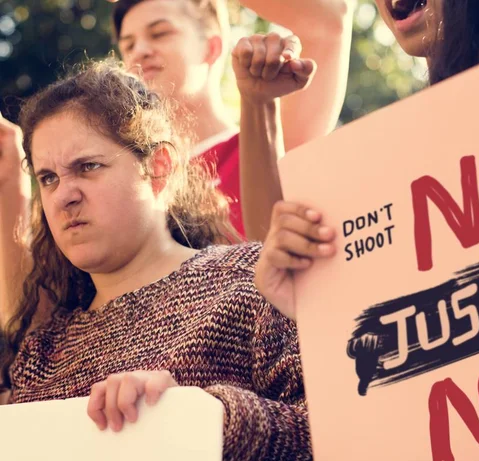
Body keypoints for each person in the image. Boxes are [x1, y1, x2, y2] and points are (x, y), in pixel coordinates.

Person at [0, 58, 313, 460]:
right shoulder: (42, 351)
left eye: (88, 167)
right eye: (48, 178)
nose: (64, 196)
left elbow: (342, 426)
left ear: (158, 167)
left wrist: (204, 417)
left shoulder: (252, 280)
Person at [112, 0, 354, 239]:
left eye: (159, 33)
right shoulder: (136, 185)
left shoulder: (271, 142)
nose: (139, 52)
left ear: (212, 48)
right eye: (128, 46)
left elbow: (328, 21)